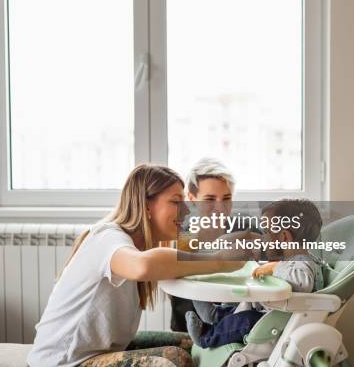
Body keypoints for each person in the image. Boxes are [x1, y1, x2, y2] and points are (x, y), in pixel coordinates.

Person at [27, 164, 248, 367]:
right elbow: (142, 266)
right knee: (175, 361)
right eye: (175, 202)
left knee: (198, 345)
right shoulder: (107, 237)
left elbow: (177, 257)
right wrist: (220, 261)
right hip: (64, 362)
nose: (186, 211)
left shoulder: (138, 245)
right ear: (146, 205)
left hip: (98, 352)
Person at [184, 199, 325, 349]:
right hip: (268, 312)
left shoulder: (303, 261)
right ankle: (216, 315)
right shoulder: (291, 259)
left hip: (279, 323)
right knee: (241, 310)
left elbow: (303, 283)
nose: (263, 238)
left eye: (267, 232)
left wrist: (274, 268)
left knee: (246, 320)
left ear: (284, 237)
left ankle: (207, 337)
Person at [170, 157, 237, 332]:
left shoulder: (244, 231)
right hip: (190, 329)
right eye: (209, 199)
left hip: (239, 327)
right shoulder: (181, 235)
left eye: (227, 198)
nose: (220, 207)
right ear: (192, 199)